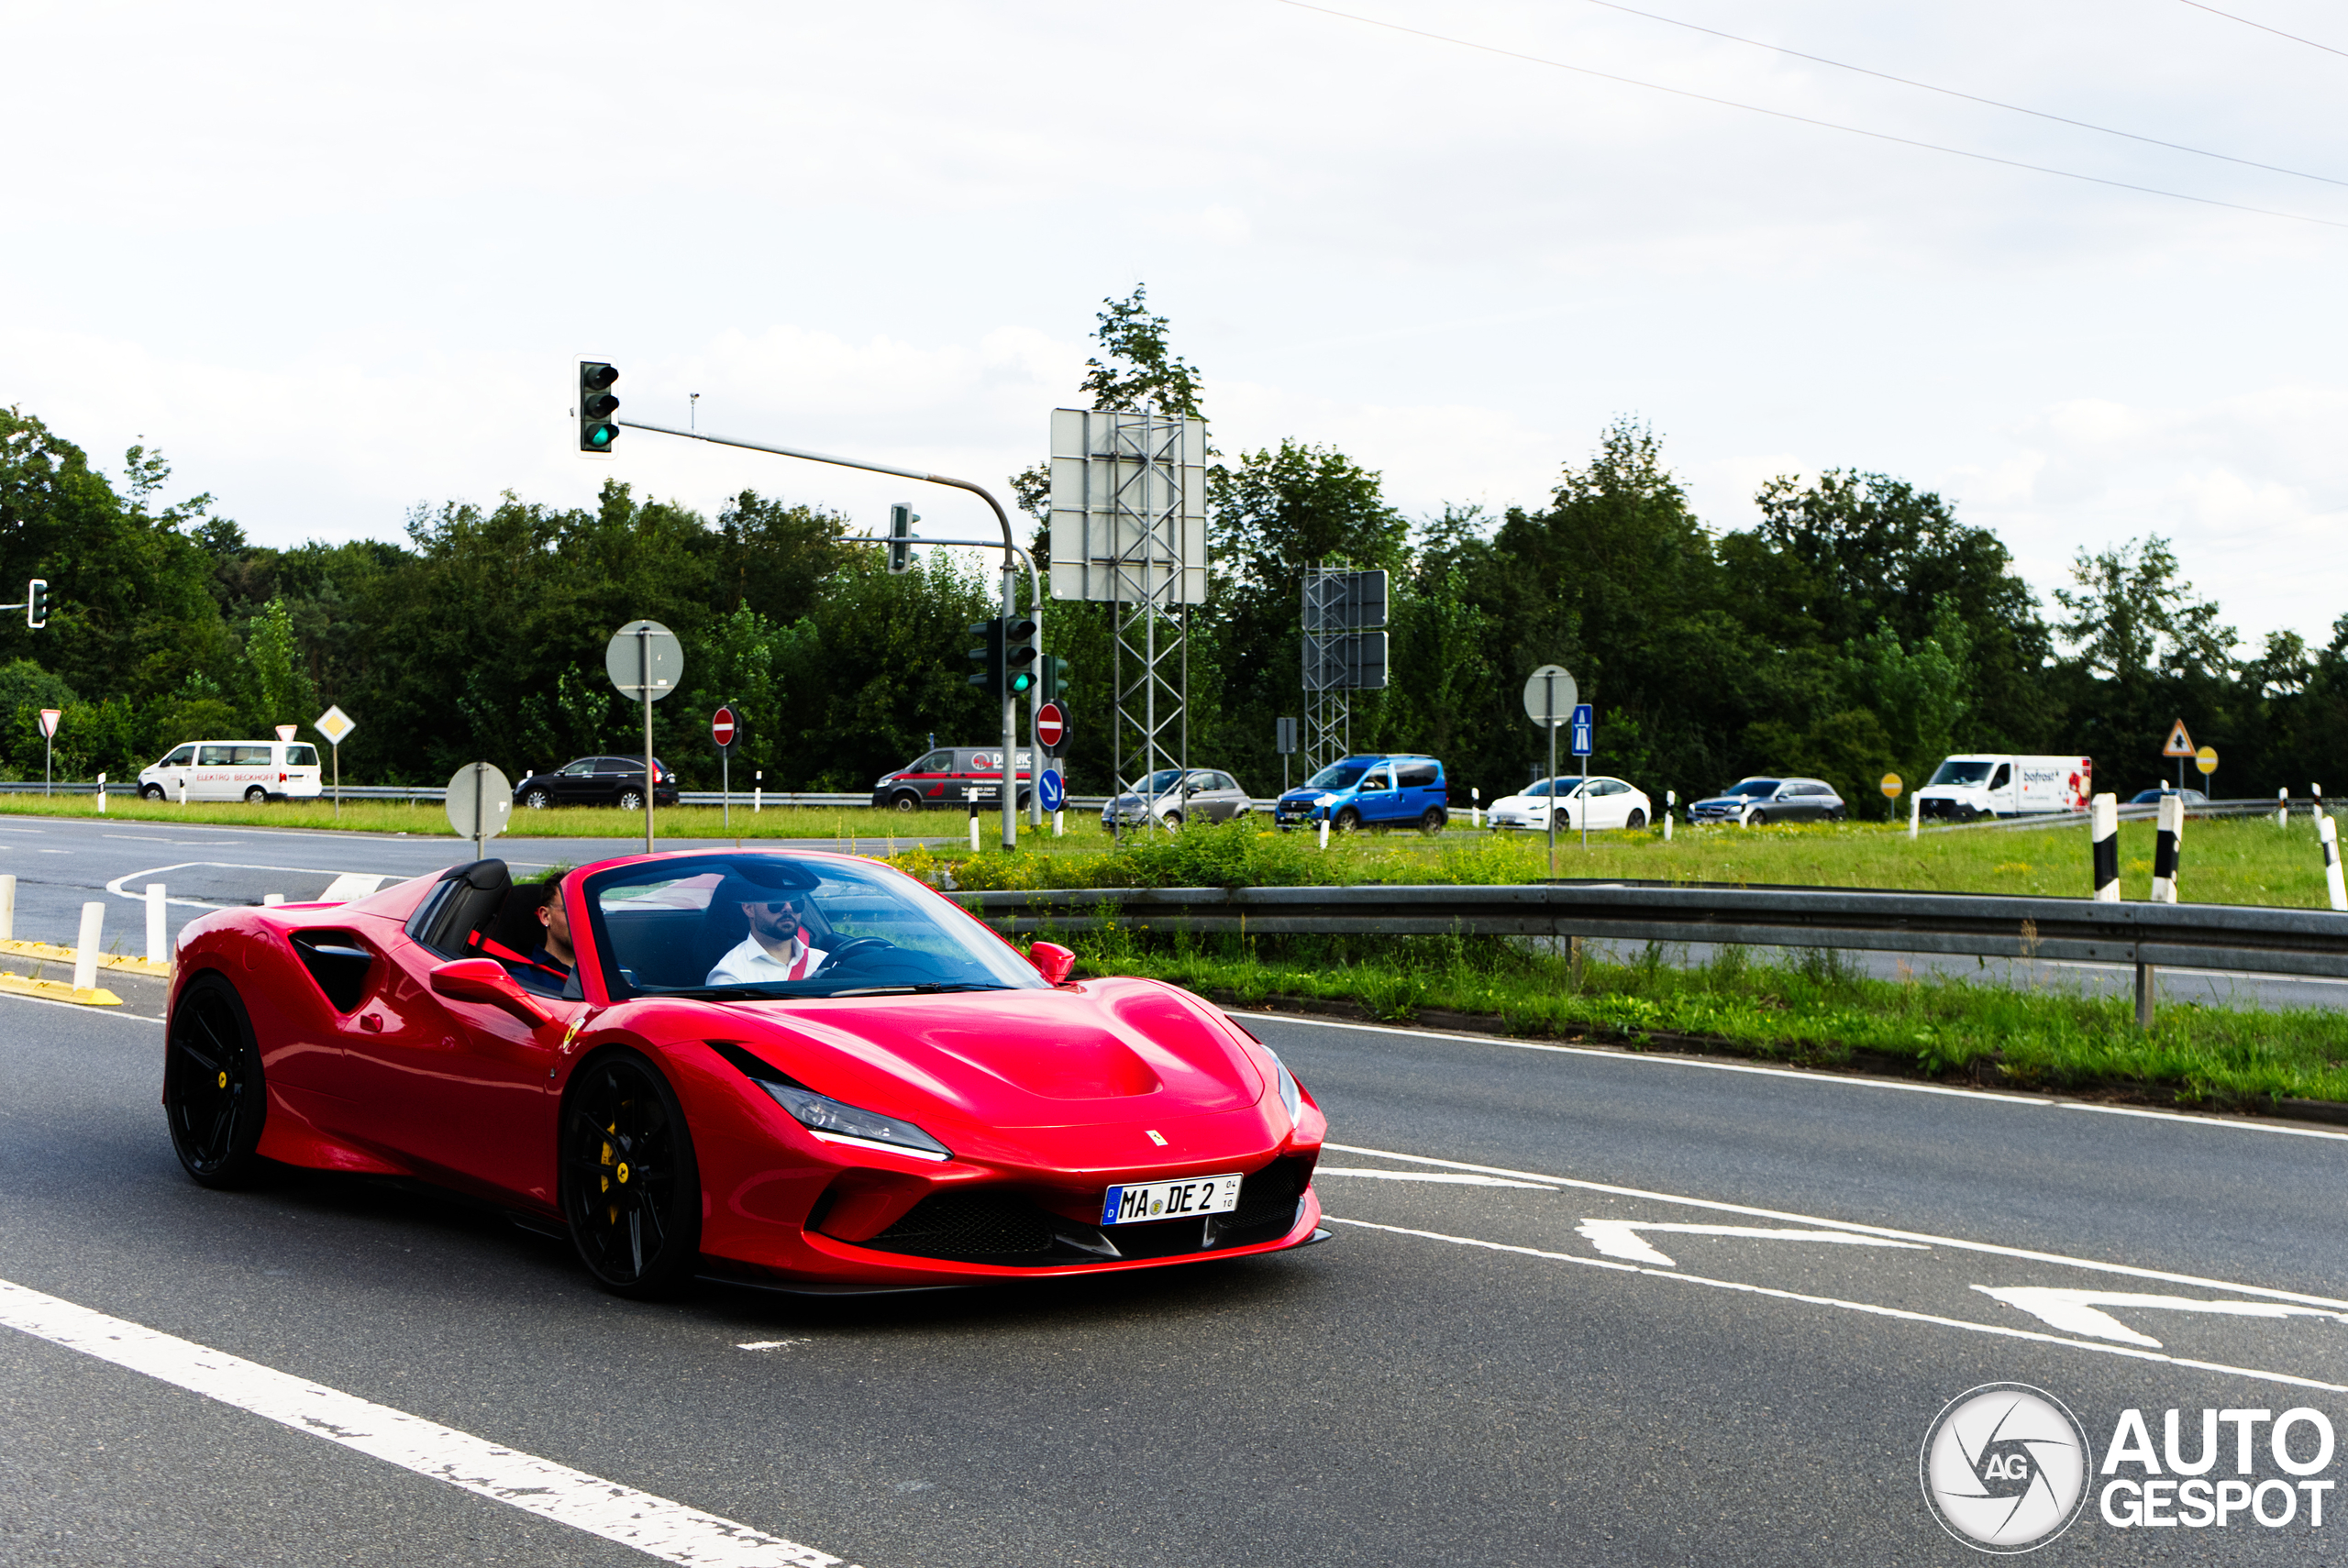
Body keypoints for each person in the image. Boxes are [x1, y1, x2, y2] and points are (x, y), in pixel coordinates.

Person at [705, 881, 828, 985]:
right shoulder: (730, 974)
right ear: (749, 909)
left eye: (796, 902)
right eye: (776, 901)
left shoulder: (824, 962)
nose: (788, 908)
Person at [506, 875, 575, 997]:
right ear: (545, 917)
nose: (582, 918)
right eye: (571, 909)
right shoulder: (522, 980)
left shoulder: (612, 972)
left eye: (587, 910)